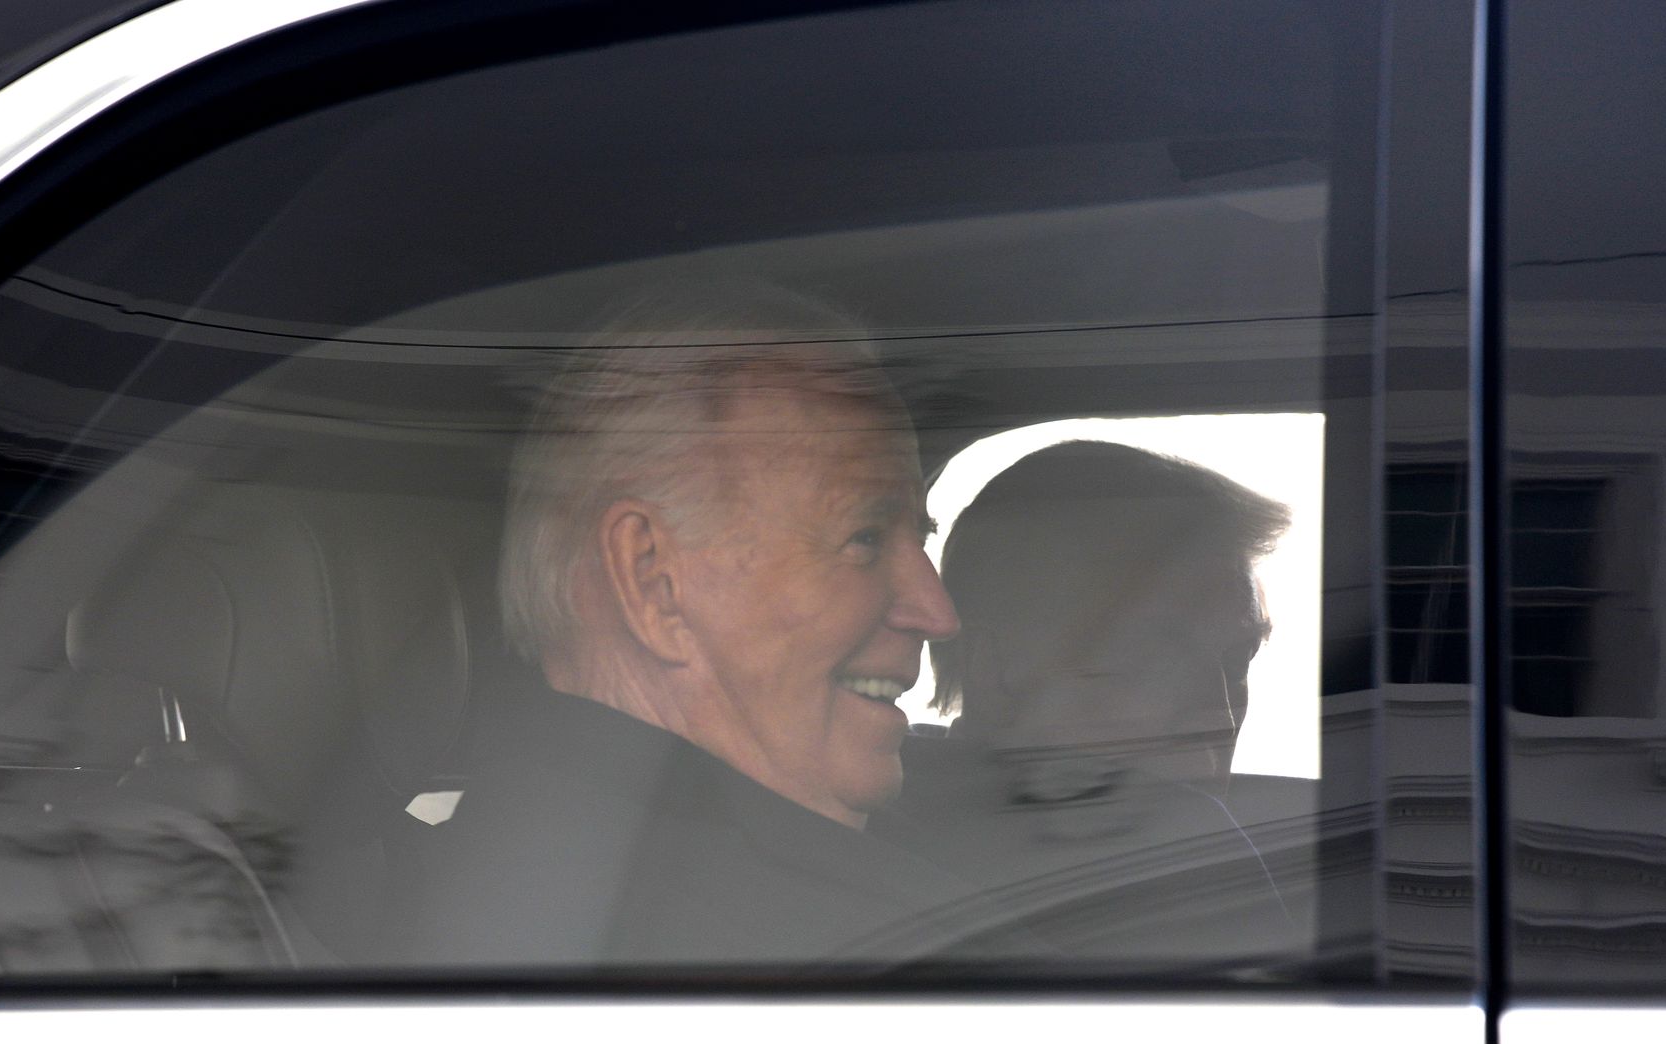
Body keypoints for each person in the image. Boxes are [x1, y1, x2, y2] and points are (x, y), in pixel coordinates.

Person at [391, 286, 985, 969]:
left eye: (921, 538)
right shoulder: (882, 960)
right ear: (652, 580)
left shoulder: (416, 873)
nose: (938, 613)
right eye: (864, 538)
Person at [885, 440, 1305, 972]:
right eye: (1154, 659)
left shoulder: (875, 821)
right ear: (991, 663)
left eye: (1238, 660)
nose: (1220, 716)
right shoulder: (1189, 858)